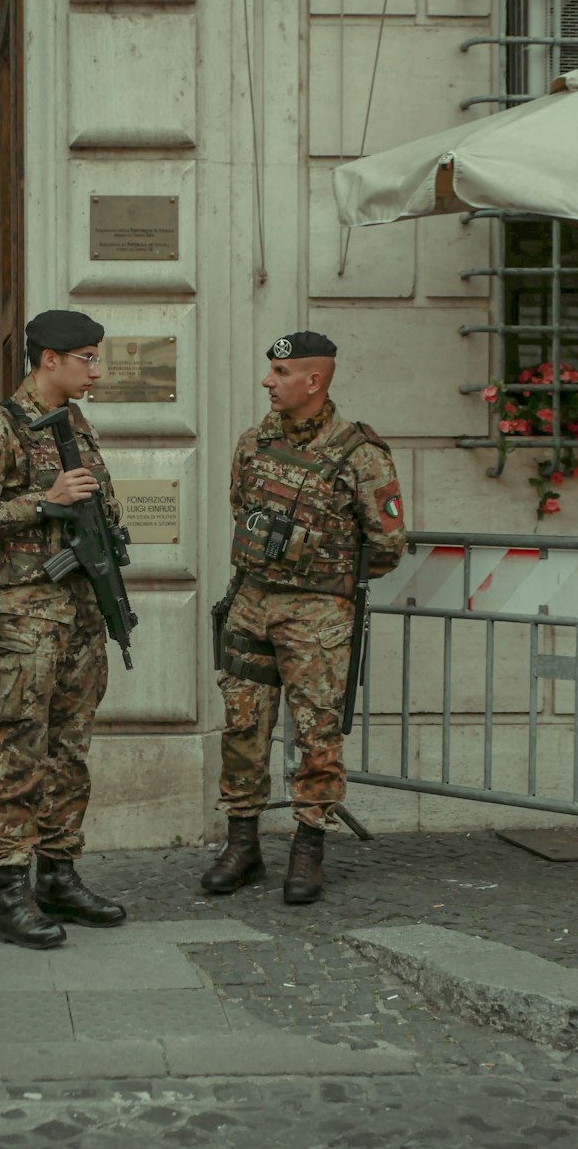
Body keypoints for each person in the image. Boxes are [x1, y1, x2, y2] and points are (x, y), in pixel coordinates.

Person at [202, 331, 405, 905]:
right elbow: (244, 512)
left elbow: (388, 545)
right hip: (251, 602)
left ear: (313, 381)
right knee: (243, 727)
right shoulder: (252, 444)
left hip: (317, 616)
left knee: (318, 732)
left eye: (281, 371)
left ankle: (308, 848)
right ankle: (241, 845)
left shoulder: (359, 453)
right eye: (271, 370)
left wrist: (320, 578)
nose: (268, 380)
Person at [0, 309, 127, 949]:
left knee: (69, 751)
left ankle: (59, 875)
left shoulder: (75, 421)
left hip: (78, 615)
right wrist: (45, 501)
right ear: (49, 359)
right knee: (17, 753)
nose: (95, 369)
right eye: (86, 357)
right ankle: (9, 896)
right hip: (24, 621)